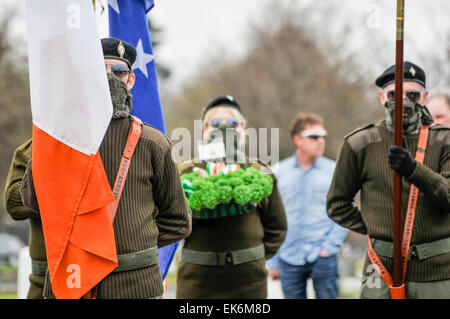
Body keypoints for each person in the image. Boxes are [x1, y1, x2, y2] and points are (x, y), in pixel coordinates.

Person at [20, 37, 192, 299]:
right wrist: (51, 132)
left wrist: (134, 246)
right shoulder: (64, 137)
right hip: (74, 283)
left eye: (118, 72)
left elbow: (179, 220)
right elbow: (32, 201)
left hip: (137, 286)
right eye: (100, 71)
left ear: (130, 80)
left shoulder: (153, 142)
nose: (110, 78)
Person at [327, 61, 450, 299]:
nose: (403, 101)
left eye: (412, 94)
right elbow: (336, 204)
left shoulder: (444, 141)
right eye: (394, 94)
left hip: (436, 269)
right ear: (382, 97)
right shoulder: (360, 143)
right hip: (378, 266)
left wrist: (414, 169)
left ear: (424, 97)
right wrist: (377, 226)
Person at [175, 95, 287, 298]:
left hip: (249, 283)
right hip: (197, 281)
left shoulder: (259, 170)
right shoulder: (186, 171)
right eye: (216, 123)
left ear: (244, 130)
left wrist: (253, 258)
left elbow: (277, 227)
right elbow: (174, 222)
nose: (224, 128)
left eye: (234, 123)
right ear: (204, 130)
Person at [266, 113, 348, 299]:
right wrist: (273, 260)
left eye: (323, 136)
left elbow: (345, 210)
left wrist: (330, 247)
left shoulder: (334, 171)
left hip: (323, 256)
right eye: (313, 136)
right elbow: (270, 218)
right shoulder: (278, 172)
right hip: (288, 257)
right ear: (297, 139)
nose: (320, 141)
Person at [3, 138, 47, 299]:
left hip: (100, 278)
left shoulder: (95, 144)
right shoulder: (28, 150)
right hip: (43, 280)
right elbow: (12, 202)